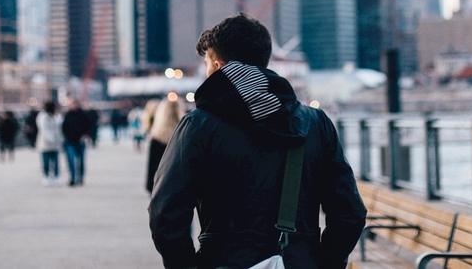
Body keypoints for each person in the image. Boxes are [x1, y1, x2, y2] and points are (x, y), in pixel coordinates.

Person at [149, 14, 366, 269]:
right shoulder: (316, 124)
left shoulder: (198, 127)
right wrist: (323, 263)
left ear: (218, 67)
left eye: (207, 65)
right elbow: (350, 214)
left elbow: (165, 215)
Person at [144, 96, 186, 193]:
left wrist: (150, 187)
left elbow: (152, 166)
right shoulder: (185, 134)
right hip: (182, 186)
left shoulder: (157, 137)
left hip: (162, 186)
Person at [35, 100, 63, 186]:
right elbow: (44, 129)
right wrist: (51, 138)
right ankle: (46, 176)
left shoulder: (57, 116)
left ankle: (56, 176)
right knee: (46, 161)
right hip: (45, 143)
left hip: (55, 143)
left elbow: (59, 127)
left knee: (56, 161)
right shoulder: (42, 116)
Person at [62, 103, 89, 186]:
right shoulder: (67, 115)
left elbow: (88, 125)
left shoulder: (82, 115)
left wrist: (85, 135)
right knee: (71, 161)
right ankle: (72, 178)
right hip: (69, 141)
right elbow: (63, 127)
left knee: (81, 161)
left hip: (80, 141)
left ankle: (80, 177)